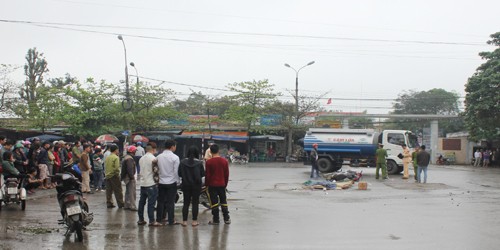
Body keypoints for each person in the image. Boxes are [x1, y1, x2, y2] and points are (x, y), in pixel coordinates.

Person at [178, 146, 205, 227]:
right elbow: (202, 174)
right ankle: (194, 221)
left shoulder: (182, 162)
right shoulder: (199, 163)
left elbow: (179, 174)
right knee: (195, 203)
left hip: (186, 185)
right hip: (196, 186)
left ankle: (184, 221)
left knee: (186, 203)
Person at [156, 139, 180, 225]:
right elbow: (176, 171)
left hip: (161, 182)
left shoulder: (158, 157)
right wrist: (178, 182)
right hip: (171, 182)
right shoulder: (175, 157)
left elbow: (157, 170)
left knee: (160, 201)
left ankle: (159, 219)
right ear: (172, 147)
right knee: (170, 202)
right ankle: (171, 220)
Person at [205, 144, 230, 225]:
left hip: (212, 185)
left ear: (211, 152)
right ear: (218, 151)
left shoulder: (209, 162)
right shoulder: (224, 161)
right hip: (222, 184)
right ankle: (226, 218)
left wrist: (206, 184)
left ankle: (216, 220)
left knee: (214, 202)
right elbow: (226, 174)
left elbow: (207, 175)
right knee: (223, 201)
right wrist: (225, 184)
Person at [137, 143, 161, 226]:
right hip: (151, 183)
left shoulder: (141, 159)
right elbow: (156, 172)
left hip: (143, 183)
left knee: (141, 202)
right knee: (151, 203)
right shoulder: (153, 159)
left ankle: (140, 219)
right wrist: (158, 182)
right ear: (153, 149)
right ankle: (151, 220)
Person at [104, 144, 125, 208]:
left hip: (107, 175)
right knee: (118, 190)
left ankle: (109, 203)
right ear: (116, 150)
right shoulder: (116, 157)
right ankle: (120, 203)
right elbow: (116, 168)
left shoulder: (107, 157)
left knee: (109, 190)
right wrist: (117, 174)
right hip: (114, 175)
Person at [122, 145, 138, 211]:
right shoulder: (130, 159)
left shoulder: (126, 157)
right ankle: (132, 206)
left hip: (126, 177)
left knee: (128, 192)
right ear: (133, 151)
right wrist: (132, 177)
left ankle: (127, 205)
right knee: (132, 192)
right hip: (129, 177)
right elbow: (130, 169)